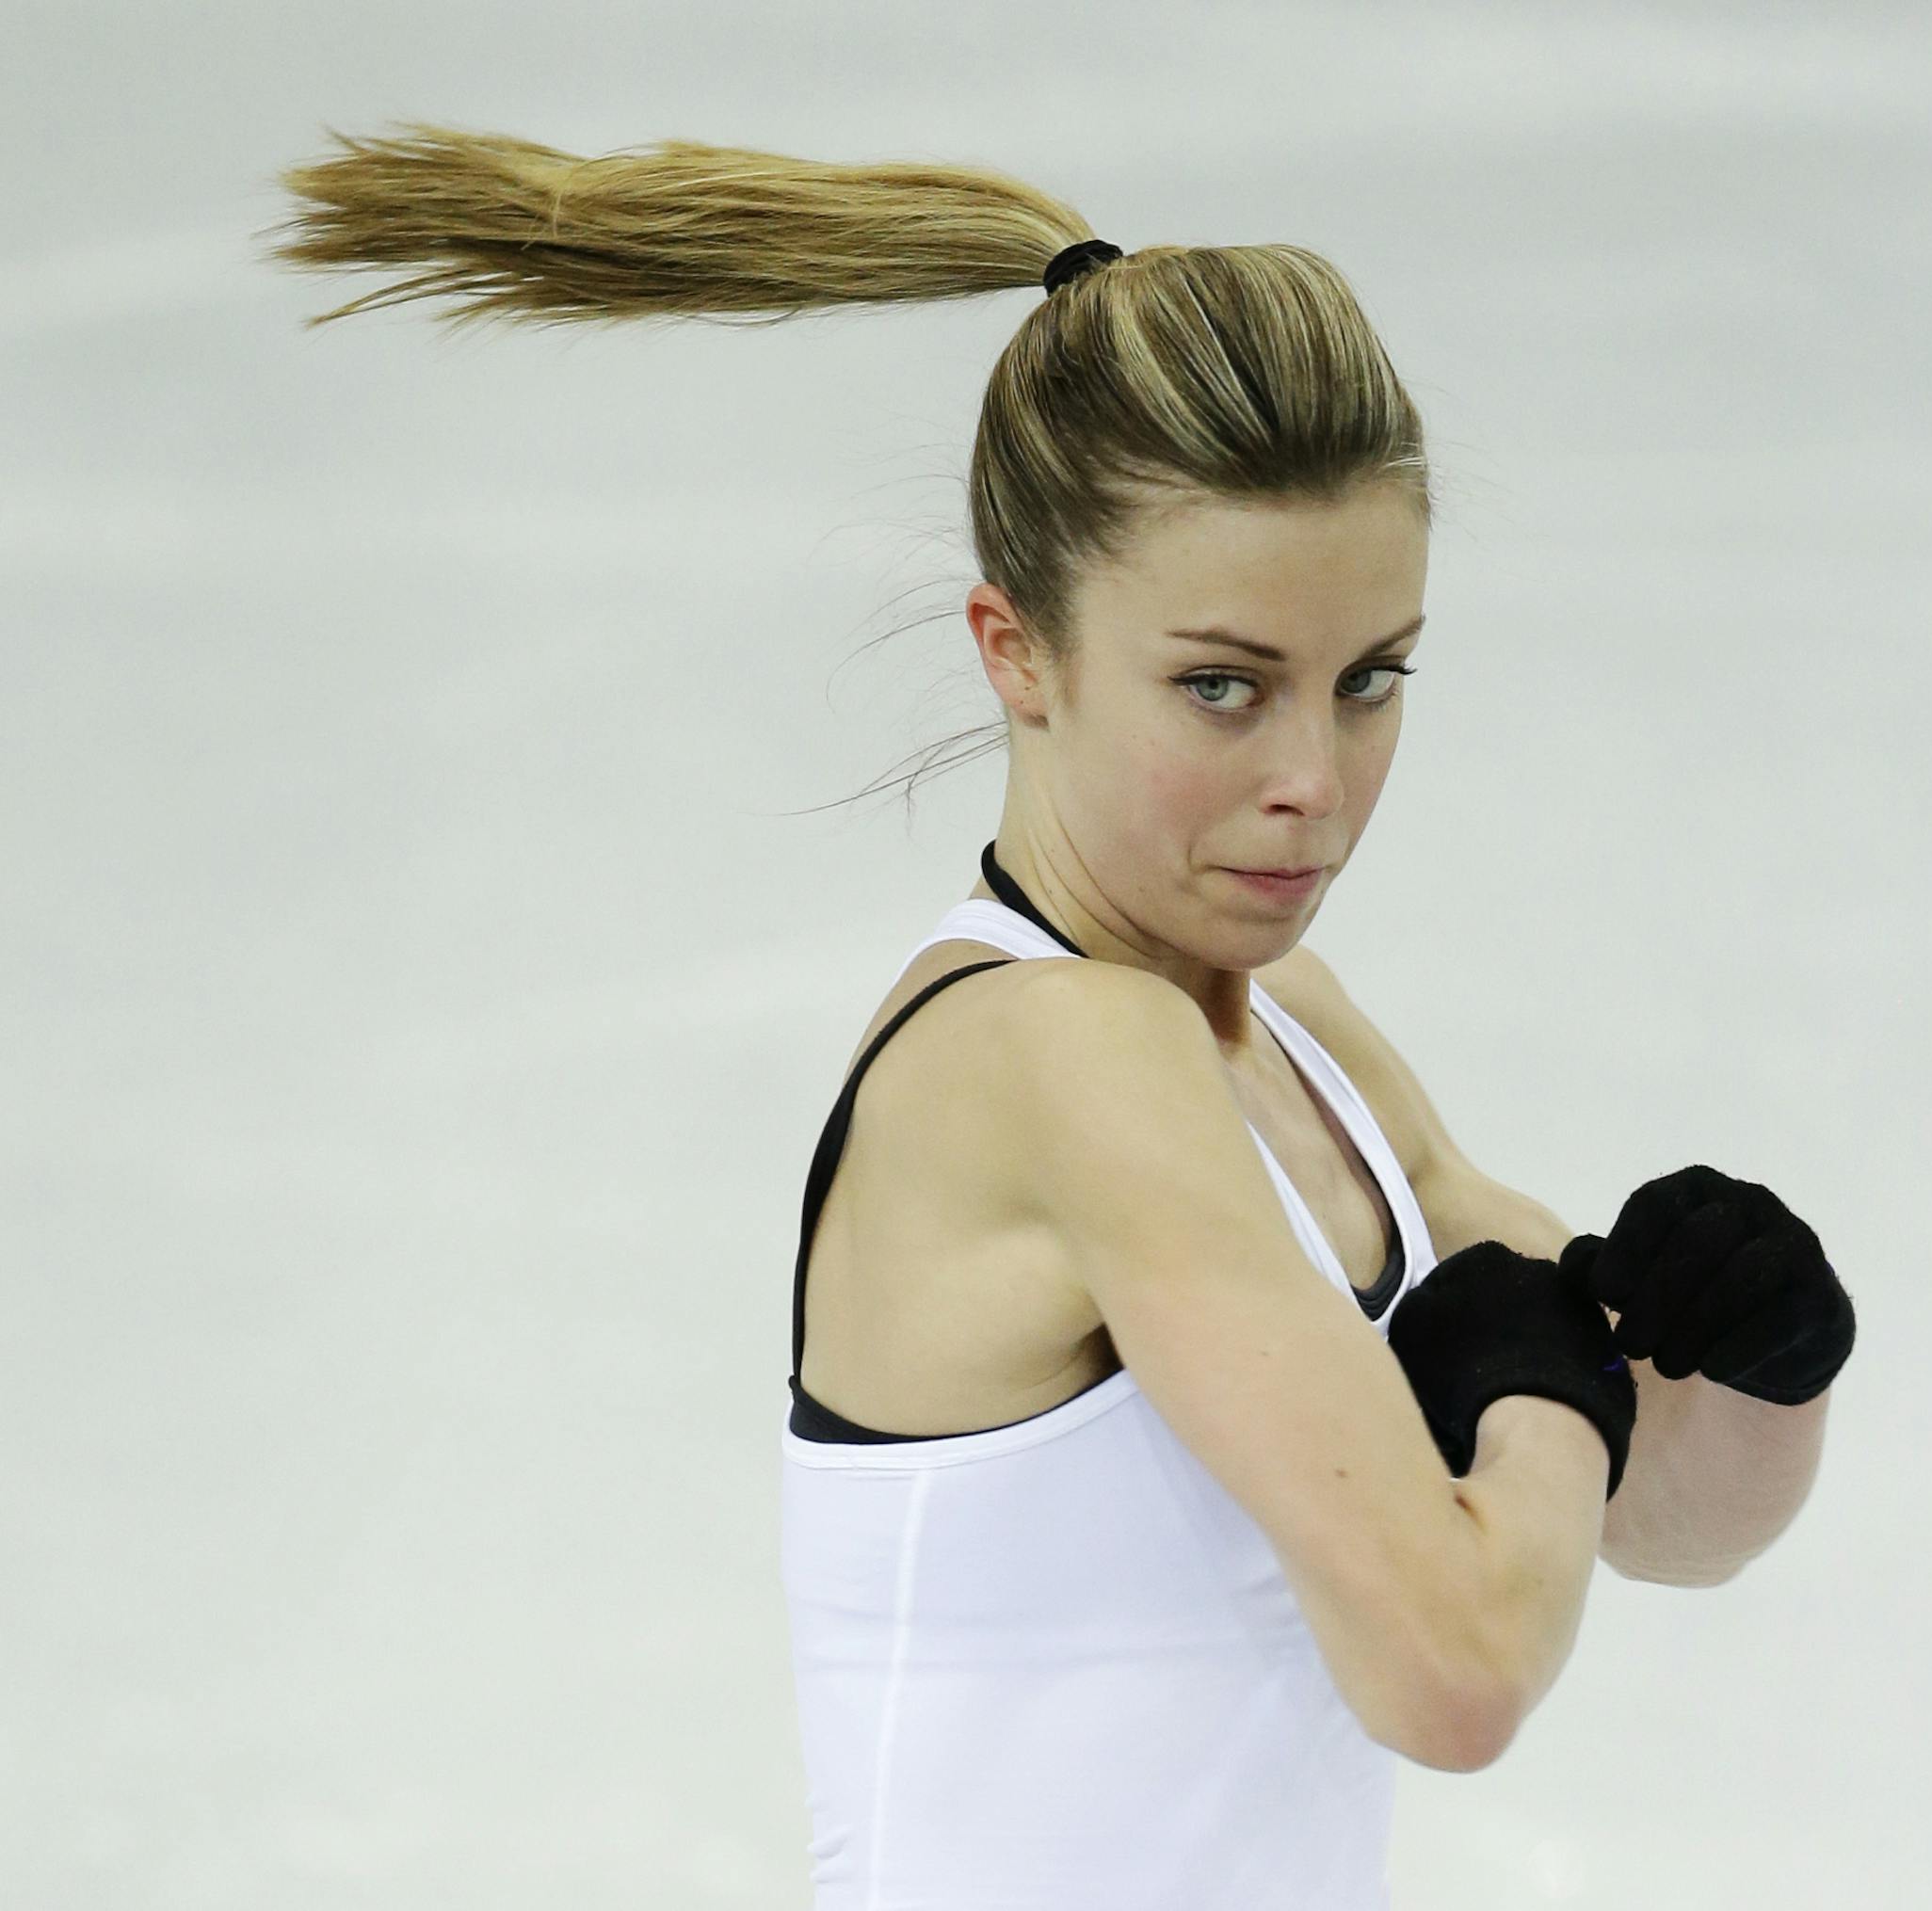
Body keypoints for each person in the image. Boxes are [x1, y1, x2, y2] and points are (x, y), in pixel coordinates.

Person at [262, 129, 1645, 1909]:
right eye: (1222, 687)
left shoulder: (1291, 1021)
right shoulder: (1063, 1054)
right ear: (1018, 650)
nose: (1314, 780)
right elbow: (1455, 1663)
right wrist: (1554, 1354)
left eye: (1371, 678)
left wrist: (1732, 1343)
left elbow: (1675, 1509)